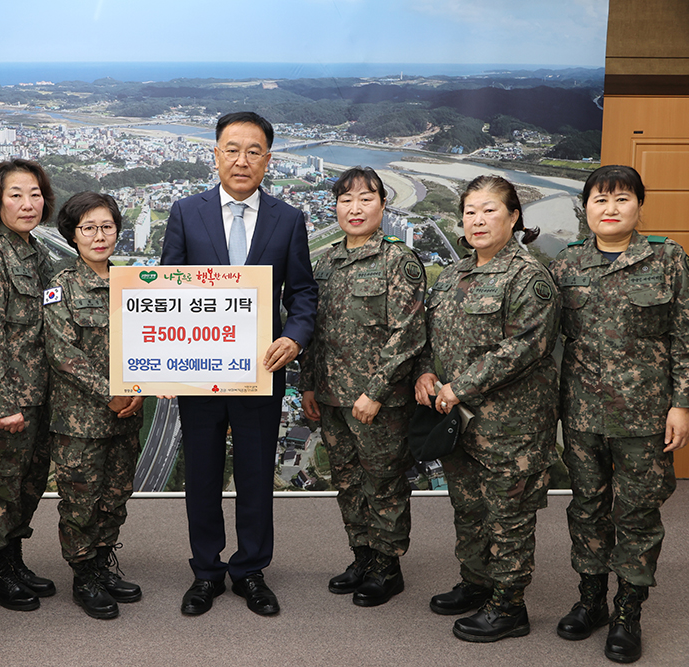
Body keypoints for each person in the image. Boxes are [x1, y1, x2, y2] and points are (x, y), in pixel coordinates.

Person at [161, 111, 317, 617]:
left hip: (260, 372)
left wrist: (294, 338)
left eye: (254, 151)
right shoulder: (186, 212)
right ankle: (206, 572)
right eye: (232, 149)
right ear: (215, 155)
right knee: (202, 476)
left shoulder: (289, 219)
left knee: (254, 477)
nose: (242, 159)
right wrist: (164, 365)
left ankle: (250, 570)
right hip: (200, 373)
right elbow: (167, 291)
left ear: (268, 159)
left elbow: (303, 295)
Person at [549, 165, 689, 663]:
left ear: (639, 205)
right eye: (600, 200)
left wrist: (684, 403)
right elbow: (547, 342)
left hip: (646, 415)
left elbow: (687, 336)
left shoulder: (669, 259)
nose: (610, 209)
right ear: (585, 208)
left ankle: (628, 611)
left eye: (621, 199)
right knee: (587, 508)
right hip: (583, 413)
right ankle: (591, 601)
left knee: (636, 513)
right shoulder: (566, 265)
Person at [414, 175, 558, 642]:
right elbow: (435, 337)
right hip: (459, 419)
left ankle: (509, 606)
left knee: (508, 515)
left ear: (514, 216)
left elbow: (525, 347)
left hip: (510, 424)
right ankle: (477, 582)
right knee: (469, 507)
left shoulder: (528, 276)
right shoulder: (456, 274)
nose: (477, 220)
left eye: (489, 210)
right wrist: (428, 373)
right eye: (470, 211)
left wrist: (459, 386)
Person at [301, 167, 425, 607]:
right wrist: (309, 387)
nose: (355, 209)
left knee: (384, 483)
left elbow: (408, 334)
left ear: (383, 205)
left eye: (366, 199)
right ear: (335, 207)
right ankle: (362, 557)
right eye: (346, 200)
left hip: (379, 401)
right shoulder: (326, 262)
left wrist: (374, 391)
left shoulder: (398, 261)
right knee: (348, 481)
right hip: (333, 397)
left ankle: (388, 568)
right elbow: (313, 332)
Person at [43, 191, 144, 620]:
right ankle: (83, 575)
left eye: (106, 227)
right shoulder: (60, 288)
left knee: (115, 496)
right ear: (72, 234)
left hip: (126, 415)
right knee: (81, 501)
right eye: (88, 228)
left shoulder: (136, 285)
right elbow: (62, 353)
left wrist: (141, 388)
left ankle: (103, 565)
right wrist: (110, 391)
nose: (99, 236)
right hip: (80, 420)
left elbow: (152, 344)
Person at [0, 159, 57, 611]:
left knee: (28, 483)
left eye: (35, 194)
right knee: (0, 486)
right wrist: (5, 402)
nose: (28, 203)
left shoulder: (36, 251)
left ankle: (15, 560)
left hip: (38, 394)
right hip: (6, 399)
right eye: (16, 194)